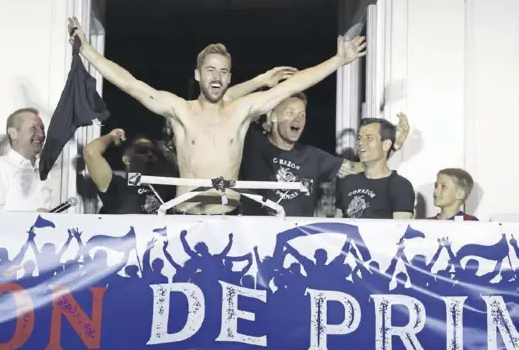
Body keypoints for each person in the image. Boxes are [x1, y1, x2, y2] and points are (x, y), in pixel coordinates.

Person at [67, 16, 367, 215]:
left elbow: (294, 84)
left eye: (223, 71)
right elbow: (130, 84)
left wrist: (338, 60)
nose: (217, 77)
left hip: (226, 220)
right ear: (198, 75)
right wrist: (87, 51)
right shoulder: (181, 111)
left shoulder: (241, 110)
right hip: (183, 218)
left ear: (229, 77)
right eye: (210, 70)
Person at [235, 91, 410, 216]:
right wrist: (264, 82)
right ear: (272, 116)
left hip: (294, 243)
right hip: (254, 238)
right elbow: (227, 107)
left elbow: (361, 167)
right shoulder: (252, 144)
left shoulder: (313, 156)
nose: (298, 119)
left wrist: (393, 146)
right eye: (290, 113)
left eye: (302, 115)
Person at [335, 118, 415, 219]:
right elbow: (337, 223)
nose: (360, 143)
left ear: (386, 145)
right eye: (359, 138)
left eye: (369, 138)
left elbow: (400, 231)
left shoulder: (400, 186)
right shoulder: (347, 182)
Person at [0, 107, 53, 211]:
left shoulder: (43, 171)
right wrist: (33, 218)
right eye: (33, 128)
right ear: (13, 133)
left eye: (42, 129)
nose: (41, 134)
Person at [84, 128, 177, 214]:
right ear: (126, 159)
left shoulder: (166, 187)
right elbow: (91, 151)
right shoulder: (116, 187)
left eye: (153, 152)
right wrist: (111, 137)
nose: (150, 154)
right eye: (142, 150)